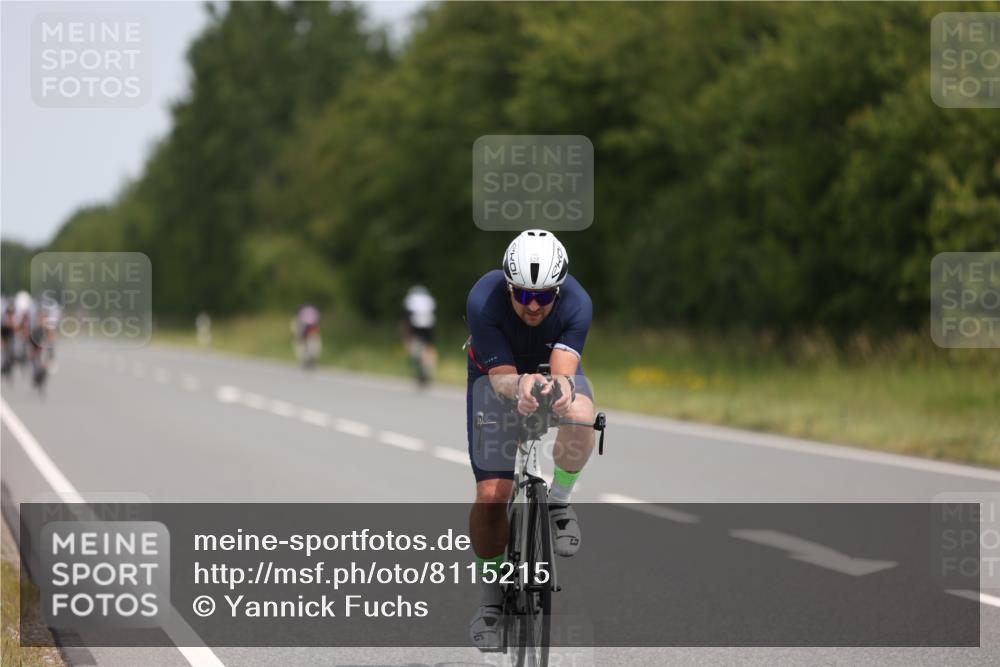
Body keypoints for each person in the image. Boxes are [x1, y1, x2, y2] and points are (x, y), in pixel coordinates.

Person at [464, 229, 596, 650]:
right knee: (491, 494)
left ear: (559, 289)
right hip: (494, 376)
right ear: (508, 287)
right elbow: (501, 379)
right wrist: (520, 387)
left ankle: (558, 502)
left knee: (582, 415)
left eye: (544, 296)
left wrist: (557, 390)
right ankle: (490, 603)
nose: (534, 305)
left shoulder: (578, 303)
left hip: (546, 366)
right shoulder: (483, 299)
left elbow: (563, 369)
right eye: (522, 296)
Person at [402, 285, 437, 386]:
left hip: (415, 325)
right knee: (429, 348)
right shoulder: (429, 299)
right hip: (430, 326)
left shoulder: (411, 299)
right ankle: (428, 367)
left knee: (415, 347)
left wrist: (406, 337)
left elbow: (406, 318)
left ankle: (420, 367)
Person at [293, 303, 322, 369]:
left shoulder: (303, 311)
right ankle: (310, 360)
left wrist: (299, 334)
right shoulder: (314, 310)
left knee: (304, 345)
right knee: (313, 344)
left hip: (305, 328)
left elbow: (300, 321)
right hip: (312, 328)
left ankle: (306, 361)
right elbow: (317, 320)